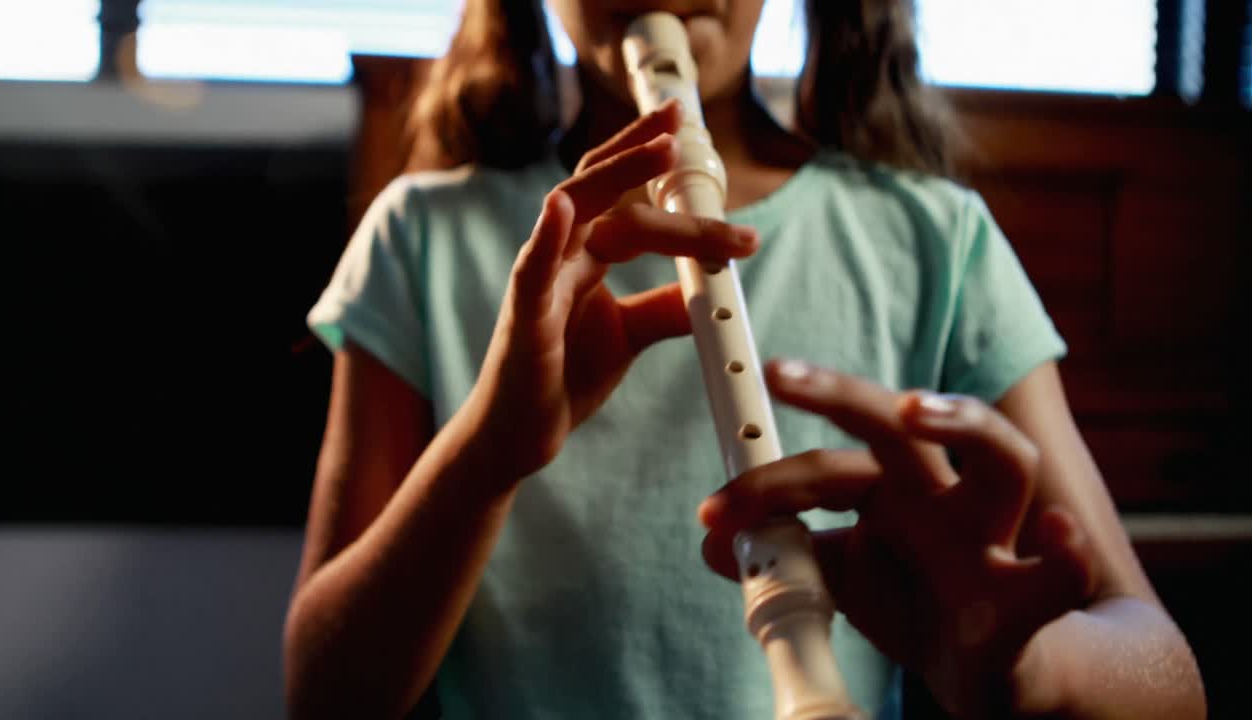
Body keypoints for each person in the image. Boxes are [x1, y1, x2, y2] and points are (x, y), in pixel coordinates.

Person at [282, 1, 1205, 718]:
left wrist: (1024, 668)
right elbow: (323, 694)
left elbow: (1167, 680)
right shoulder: (421, 235)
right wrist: (484, 457)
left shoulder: (931, 238)